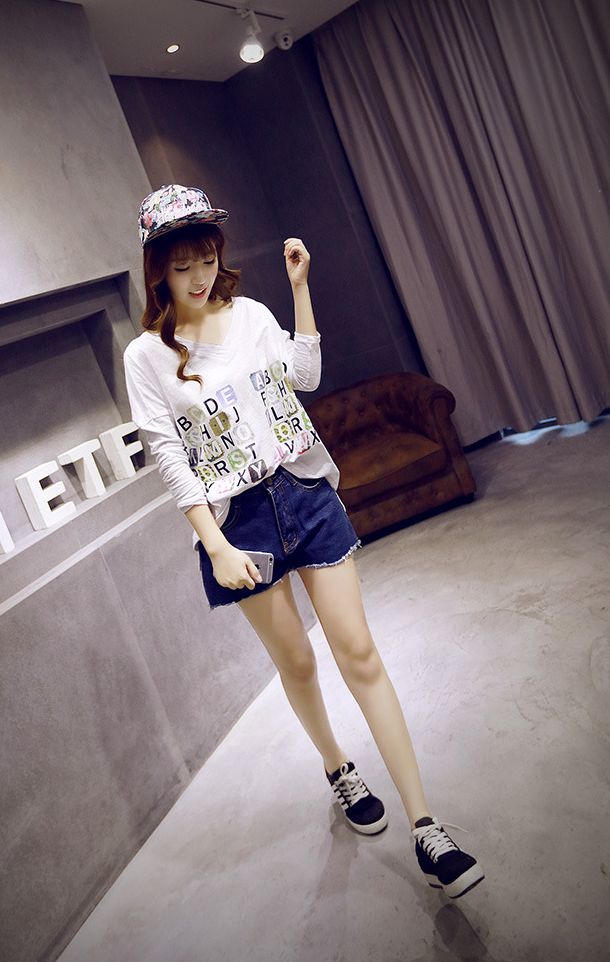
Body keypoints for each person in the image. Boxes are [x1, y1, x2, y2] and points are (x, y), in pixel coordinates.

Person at [124, 184, 484, 899]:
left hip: (304, 491)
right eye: (182, 265)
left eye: (206, 259)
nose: (197, 276)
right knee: (295, 660)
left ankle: (427, 825)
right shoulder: (146, 356)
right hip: (239, 523)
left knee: (359, 652)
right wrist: (215, 546)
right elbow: (169, 457)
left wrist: (300, 290)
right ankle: (337, 768)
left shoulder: (252, 314)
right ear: (157, 269)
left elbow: (307, 377)